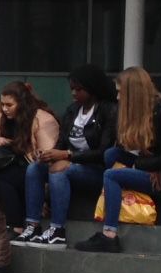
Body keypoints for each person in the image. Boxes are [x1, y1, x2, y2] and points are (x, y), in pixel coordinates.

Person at [76, 66, 161, 254]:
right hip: (159, 169)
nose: (118, 98)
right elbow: (151, 153)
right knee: (111, 155)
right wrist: (149, 166)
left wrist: (138, 166)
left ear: (132, 93)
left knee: (112, 175)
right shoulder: (143, 111)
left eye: (120, 93)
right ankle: (115, 194)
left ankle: (109, 235)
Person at [21, 66, 118, 248]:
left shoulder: (108, 110)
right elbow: (61, 142)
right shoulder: (73, 110)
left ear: (92, 88)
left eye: (79, 89)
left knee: (60, 171)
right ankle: (33, 225)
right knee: (34, 168)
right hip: (71, 163)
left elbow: (103, 152)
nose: (74, 93)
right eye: (72, 89)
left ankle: (58, 230)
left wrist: (68, 156)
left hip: (97, 170)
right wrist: (49, 155)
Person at [0, 81, 59, 239]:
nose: (4, 109)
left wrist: (43, 196)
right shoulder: (2, 118)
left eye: (9, 105)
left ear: (22, 103)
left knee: (4, 178)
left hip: (34, 169)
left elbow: (47, 158)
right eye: (2, 104)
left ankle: (17, 225)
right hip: (11, 166)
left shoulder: (42, 119)